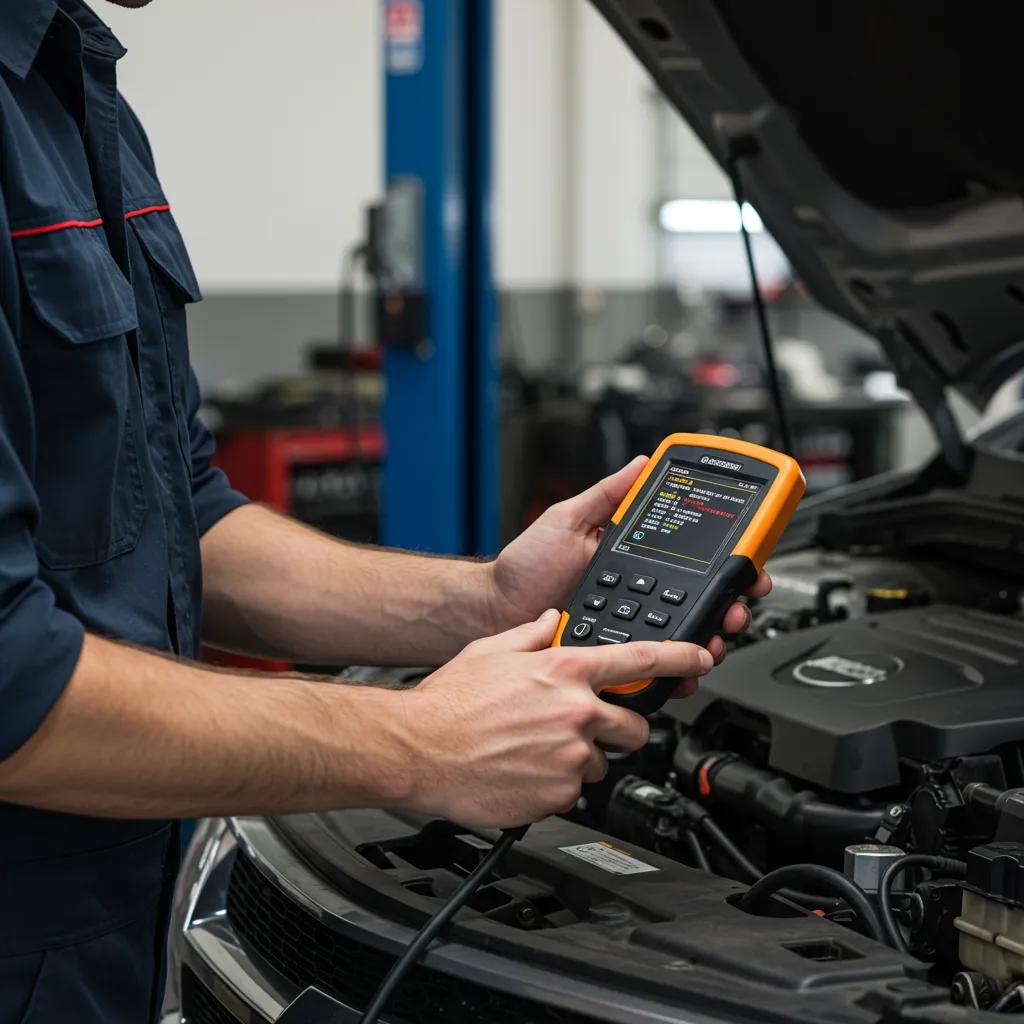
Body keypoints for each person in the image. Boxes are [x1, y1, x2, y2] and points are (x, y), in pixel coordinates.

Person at [0, 1, 770, 1020]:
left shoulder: (71, 92)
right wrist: (420, 742)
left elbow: (180, 512)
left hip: (105, 938)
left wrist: (485, 598)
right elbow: (13, 682)